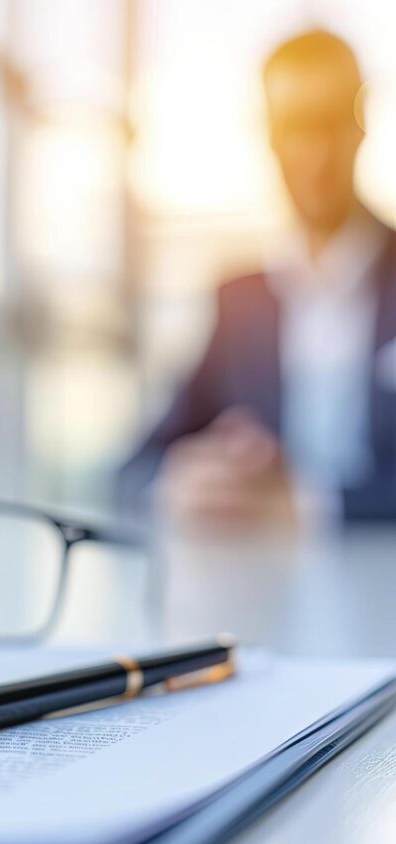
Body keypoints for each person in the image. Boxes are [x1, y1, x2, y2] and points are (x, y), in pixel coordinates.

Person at [118, 29, 396, 527]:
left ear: (362, 123)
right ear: (268, 134)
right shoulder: (238, 300)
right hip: (262, 595)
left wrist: (307, 505)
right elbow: (135, 469)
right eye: (293, 125)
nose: (313, 153)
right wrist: (182, 482)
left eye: (329, 121)